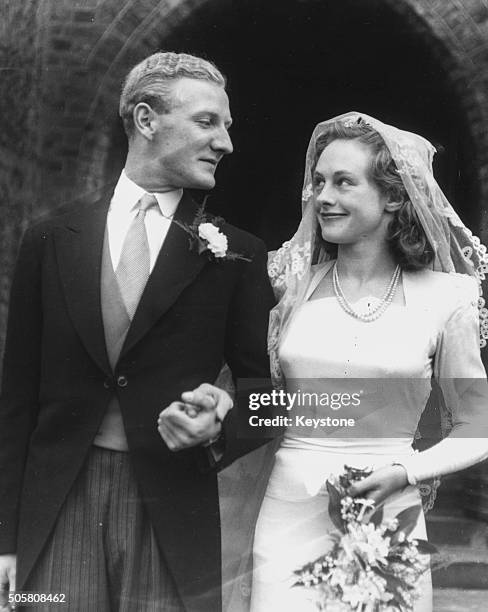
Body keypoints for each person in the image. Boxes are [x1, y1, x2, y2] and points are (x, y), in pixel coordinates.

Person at [0, 52, 274, 612]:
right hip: (57, 511)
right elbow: (16, 398)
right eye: (207, 121)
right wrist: (4, 540)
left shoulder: (239, 254)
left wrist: (222, 416)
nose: (226, 142)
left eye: (227, 126)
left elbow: (266, 395)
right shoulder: (50, 238)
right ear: (146, 120)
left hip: (171, 511)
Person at [247, 112, 488, 611]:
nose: (323, 197)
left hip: (388, 513)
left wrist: (407, 472)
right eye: (318, 182)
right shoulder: (287, 287)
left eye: (343, 183)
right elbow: (255, 397)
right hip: (288, 508)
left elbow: (478, 423)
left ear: (394, 196)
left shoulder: (448, 298)